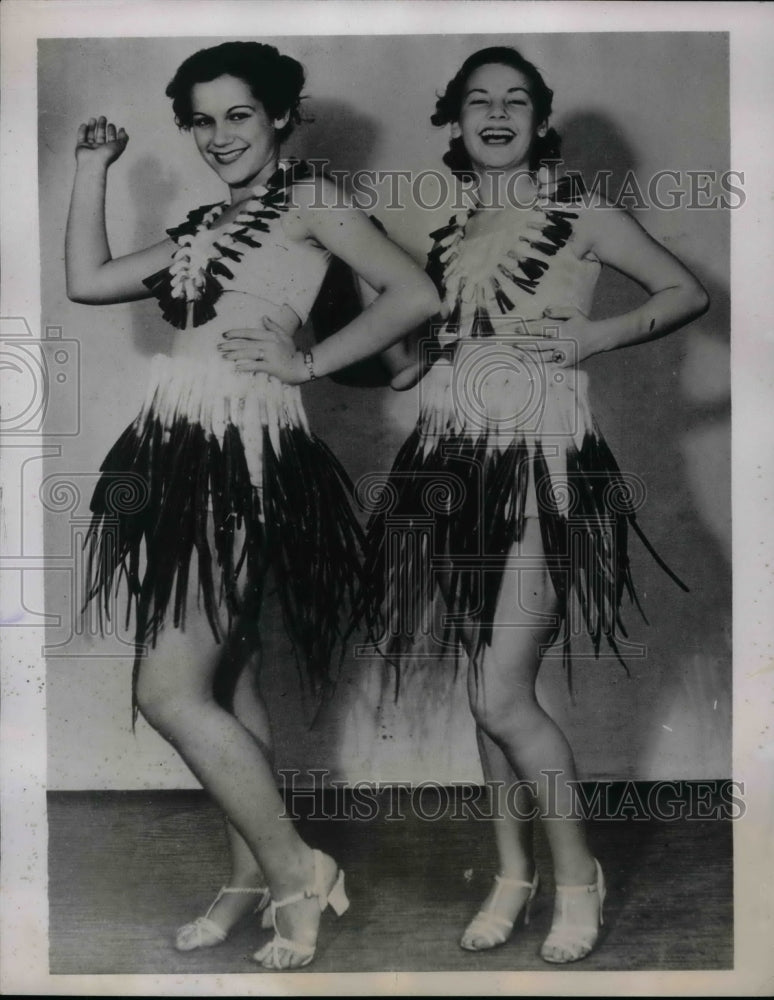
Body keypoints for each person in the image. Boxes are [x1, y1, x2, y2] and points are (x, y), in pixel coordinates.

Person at [66, 40, 438, 970]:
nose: (219, 134)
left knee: (168, 689)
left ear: (280, 115)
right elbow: (89, 278)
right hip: (180, 449)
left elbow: (416, 292)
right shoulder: (203, 224)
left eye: (239, 114)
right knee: (225, 679)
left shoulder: (311, 201)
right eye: (201, 118)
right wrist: (89, 170)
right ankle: (248, 884)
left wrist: (307, 362)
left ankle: (296, 870)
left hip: (245, 453)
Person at [364, 47, 709, 963]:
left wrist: (597, 334)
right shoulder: (447, 237)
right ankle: (511, 875)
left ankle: (575, 877)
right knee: (488, 692)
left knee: (500, 690)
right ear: (456, 119)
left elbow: (686, 290)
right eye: (479, 101)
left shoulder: (581, 212)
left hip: (546, 469)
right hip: (451, 468)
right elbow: (413, 364)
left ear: (539, 117)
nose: (498, 114)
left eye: (517, 100)